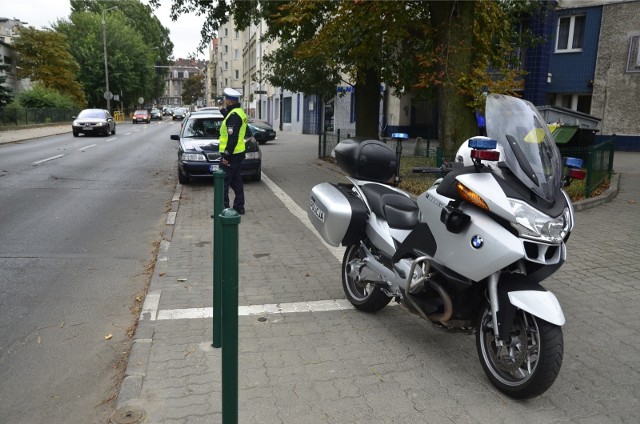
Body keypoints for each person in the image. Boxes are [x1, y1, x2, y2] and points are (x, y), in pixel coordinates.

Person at [219, 87, 247, 215]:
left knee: (222, 183)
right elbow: (232, 123)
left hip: (232, 154)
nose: (224, 101)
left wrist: (226, 156)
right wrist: (224, 113)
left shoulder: (234, 116)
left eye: (226, 99)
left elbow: (232, 137)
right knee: (236, 182)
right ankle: (239, 207)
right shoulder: (237, 112)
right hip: (238, 153)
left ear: (229, 101)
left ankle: (223, 209)